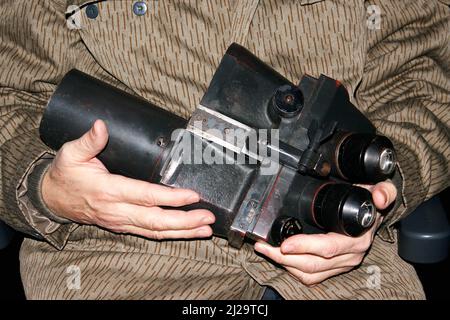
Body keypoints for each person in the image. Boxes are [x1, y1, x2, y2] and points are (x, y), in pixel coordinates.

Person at [0, 0, 448, 300]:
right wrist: (46, 187)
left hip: (337, 253)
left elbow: (427, 81)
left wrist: (386, 183)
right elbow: (10, 89)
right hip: (117, 249)